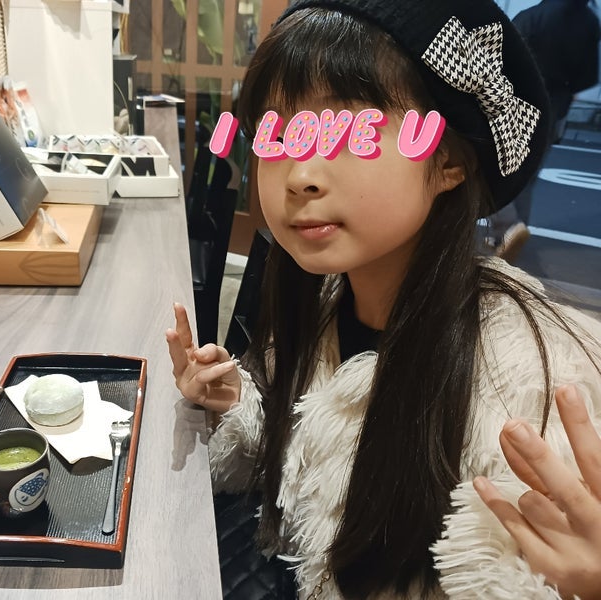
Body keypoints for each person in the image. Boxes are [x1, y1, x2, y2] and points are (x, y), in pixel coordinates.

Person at [165, 0, 601, 598]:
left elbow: (515, 573)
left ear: (448, 161)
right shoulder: (321, 299)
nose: (299, 174)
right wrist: (234, 401)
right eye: (280, 135)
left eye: (354, 133)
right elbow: (304, 464)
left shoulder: (523, 384)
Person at [485, 0, 601, 261]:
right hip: (554, 108)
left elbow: (499, 62)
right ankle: (511, 235)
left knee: (491, 171)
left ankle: (507, 226)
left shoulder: (531, 17)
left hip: (518, 104)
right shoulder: (589, 21)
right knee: (527, 177)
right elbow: (586, 77)